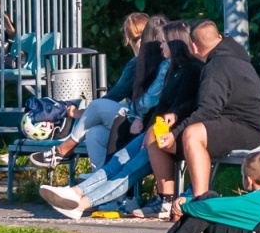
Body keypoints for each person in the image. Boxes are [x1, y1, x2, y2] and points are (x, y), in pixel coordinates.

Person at [39, 21, 200, 218]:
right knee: (119, 159)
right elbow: (164, 108)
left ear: (176, 44)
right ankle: (77, 192)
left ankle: (81, 204)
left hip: (171, 136)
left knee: (129, 167)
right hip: (156, 132)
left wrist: (153, 125)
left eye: (164, 42)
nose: (160, 46)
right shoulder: (175, 69)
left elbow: (186, 109)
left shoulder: (191, 70)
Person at [146, 20, 260, 207]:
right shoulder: (231, 57)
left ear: (194, 47)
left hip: (247, 129)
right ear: (219, 37)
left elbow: (208, 111)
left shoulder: (216, 68)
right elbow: (202, 103)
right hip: (229, 122)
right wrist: (177, 115)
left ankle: (200, 201)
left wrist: (176, 133)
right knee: (155, 134)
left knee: (192, 134)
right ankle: (165, 201)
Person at [30, 15, 168, 170]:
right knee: (94, 133)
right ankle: (100, 182)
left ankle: (63, 150)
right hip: (145, 119)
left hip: (143, 121)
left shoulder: (143, 64)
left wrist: (80, 112)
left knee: (97, 106)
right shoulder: (159, 62)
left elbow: (117, 96)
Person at [131, 150, 260, 233]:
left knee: (209, 205)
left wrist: (186, 206)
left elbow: (218, 208)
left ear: (249, 180)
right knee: (208, 201)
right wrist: (191, 201)